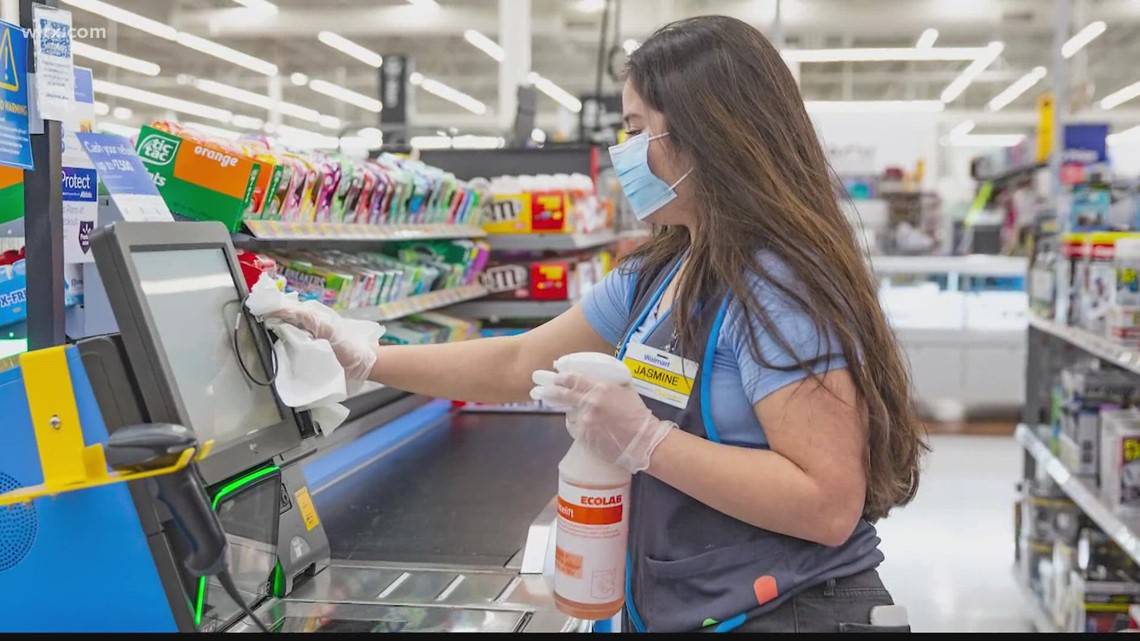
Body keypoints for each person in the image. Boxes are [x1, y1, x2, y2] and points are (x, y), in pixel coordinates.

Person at [266, 15, 927, 633]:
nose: (626, 152)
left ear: (708, 134)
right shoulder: (668, 265)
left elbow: (827, 502)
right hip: (703, 602)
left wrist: (644, 440)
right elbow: (513, 363)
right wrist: (363, 352)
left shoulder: (781, 282)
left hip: (791, 610)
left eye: (640, 129)